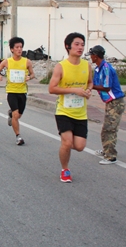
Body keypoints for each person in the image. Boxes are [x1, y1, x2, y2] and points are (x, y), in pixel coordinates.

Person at [49, 32, 93, 183]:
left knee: (79, 146)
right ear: (68, 46)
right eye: (77, 44)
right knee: (67, 143)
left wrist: (88, 91)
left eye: (82, 44)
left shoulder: (86, 65)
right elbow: (52, 89)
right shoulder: (61, 67)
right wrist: (73, 90)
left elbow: (90, 82)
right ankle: (65, 169)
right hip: (64, 111)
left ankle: (64, 146)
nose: (80, 47)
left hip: (80, 113)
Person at [89, 45, 126, 165]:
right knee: (106, 128)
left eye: (91, 55)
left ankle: (111, 156)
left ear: (96, 55)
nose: (90, 57)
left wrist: (90, 87)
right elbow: (93, 82)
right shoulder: (97, 69)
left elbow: (106, 87)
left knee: (110, 129)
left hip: (116, 101)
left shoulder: (106, 68)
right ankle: (106, 149)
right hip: (109, 102)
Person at [0, 37, 35, 145]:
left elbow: (32, 74)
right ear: (12, 49)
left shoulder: (27, 62)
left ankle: (11, 115)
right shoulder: (7, 62)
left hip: (22, 92)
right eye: (17, 47)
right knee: (16, 114)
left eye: (21, 47)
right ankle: (18, 136)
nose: (19, 49)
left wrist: (29, 77)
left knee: (18, 116)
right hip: (11, 91)